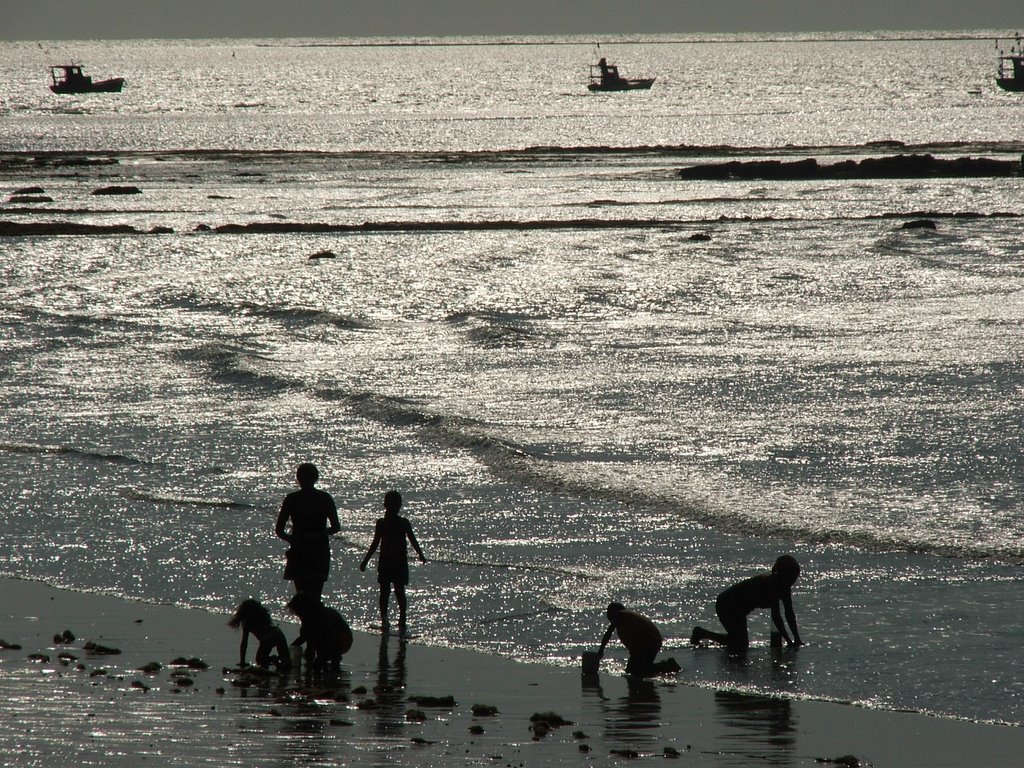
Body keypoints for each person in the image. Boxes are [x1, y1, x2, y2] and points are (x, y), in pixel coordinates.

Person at [690, 555, 804, 653]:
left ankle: (702, 633)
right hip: (727, 604)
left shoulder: (785, 587)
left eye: (794, 576)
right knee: (739, 643)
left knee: (739, 641)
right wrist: (789, 641)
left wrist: (797, 638)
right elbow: (776, 616)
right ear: (779, 573)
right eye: (789, 575)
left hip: (740, 608)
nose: (792, 580)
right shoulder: (771, 584)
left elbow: (789, 613)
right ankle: (701, 633)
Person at [359, 490, 426, 636]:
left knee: (389, 591)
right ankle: (396, 618)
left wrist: (420, 554)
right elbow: (376, 543)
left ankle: (392, 618)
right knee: (395, 591)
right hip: (395, 562)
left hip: (392, 562)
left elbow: (376, 544)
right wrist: (420, 554)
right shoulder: (394, 523)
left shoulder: (394, 523)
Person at [275, 463, 341, 600]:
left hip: (301, 550)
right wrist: (319, 534)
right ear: (316, 478)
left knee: (303, 597)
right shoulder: (324, 498)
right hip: (317, 550)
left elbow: (280, 530)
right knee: (314, 596)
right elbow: (335, 527)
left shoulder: (291, 499)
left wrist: (293, 539)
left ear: (298, 478)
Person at [595, 602, 681, 677]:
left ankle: (666, 666)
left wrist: (601, 650)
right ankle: (665, 666)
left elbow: (609, 632)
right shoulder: (628, 617)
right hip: (650, 642)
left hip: (648, 644)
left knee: (634, 671)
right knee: (638, 669)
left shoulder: (619, 615)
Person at [227, 598, 291, 670]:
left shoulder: (247, 623)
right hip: (278, 633)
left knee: (260, 660)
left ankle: (274, 660)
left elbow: (244, 643)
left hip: (267, 638)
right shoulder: (261, 617)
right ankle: (278, 662)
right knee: (286, 661)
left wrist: (242, 661)